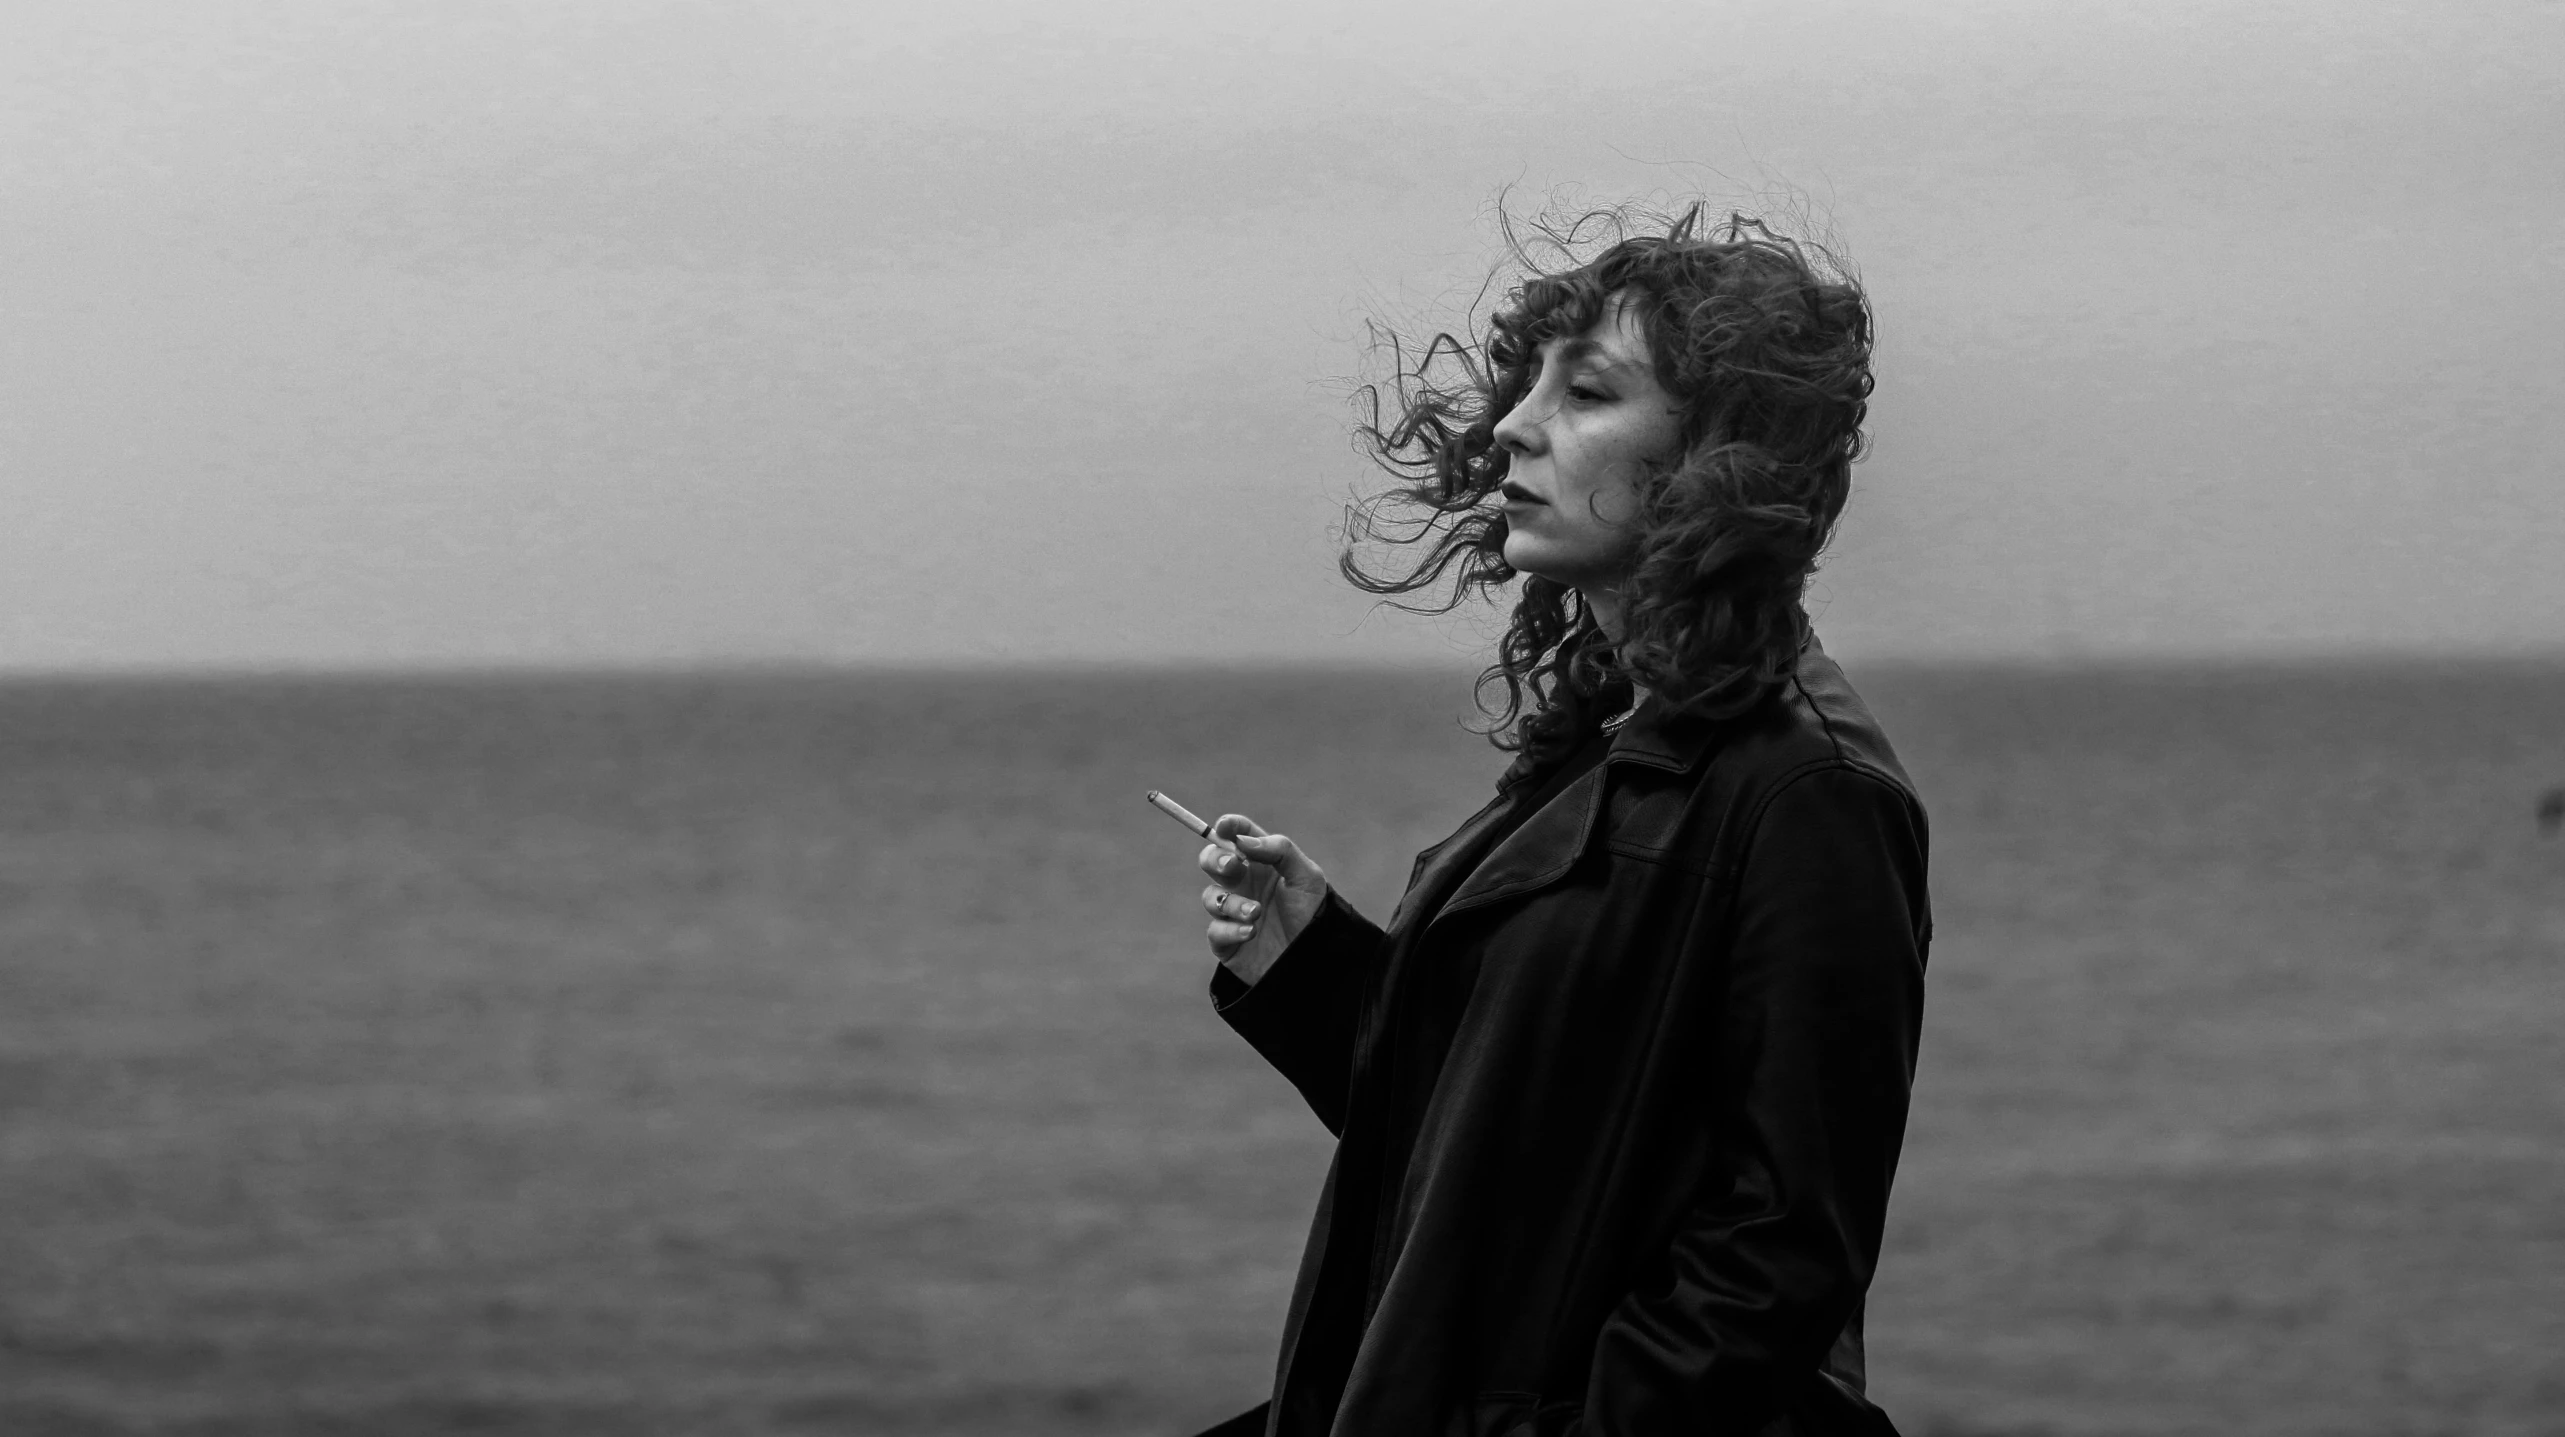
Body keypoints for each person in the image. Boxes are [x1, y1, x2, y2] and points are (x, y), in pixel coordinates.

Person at [1182, 208, 1930, 1437]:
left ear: (1718, 458)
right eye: (1526, 385)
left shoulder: (1811, 795)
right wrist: (1318, 969)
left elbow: (1780, 1263)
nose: (1514, 425)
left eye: (1587, 393)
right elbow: (1517, 1142)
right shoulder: (1611, 742)